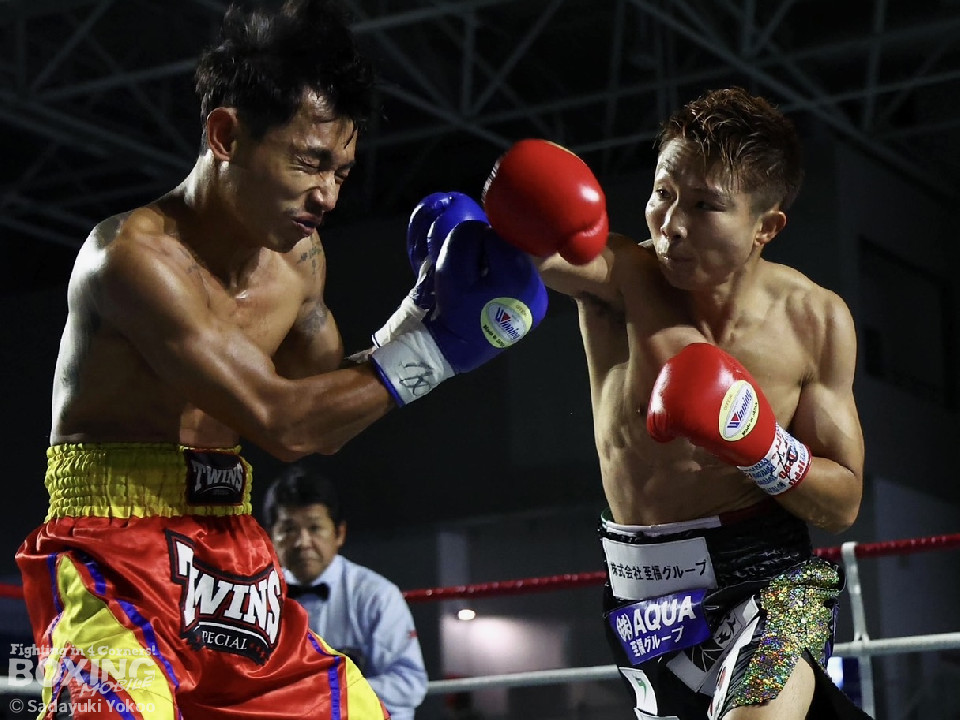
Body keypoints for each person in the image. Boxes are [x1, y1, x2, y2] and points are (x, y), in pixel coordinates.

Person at [14, 0, 547, 717]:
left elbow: (322, 414)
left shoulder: (300, 260)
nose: (328, 194)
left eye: (343, 171)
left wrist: (417, 315)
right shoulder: (133, 259)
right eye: (309, 162)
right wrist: (440, 348)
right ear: (227, 134)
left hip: (229, 543)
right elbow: (283, 421)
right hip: (114, 547)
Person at [482, 88, 867, 719]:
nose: (672, 224)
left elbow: (843, 502)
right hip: (644, 598)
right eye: (664, 193)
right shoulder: (621, 277)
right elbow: (513, 254)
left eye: (706, 205)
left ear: (765, 227)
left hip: (773, 579)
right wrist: (496, 219)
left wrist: (762, 447)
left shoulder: (814, 320)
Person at [263, 464, 428, 720]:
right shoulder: (259, 598)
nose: (302, 542)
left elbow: (408, 683)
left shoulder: (376, 595)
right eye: (288, 529)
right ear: (270, 538)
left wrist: (323, 695)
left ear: (339, 533)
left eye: (314, 528)